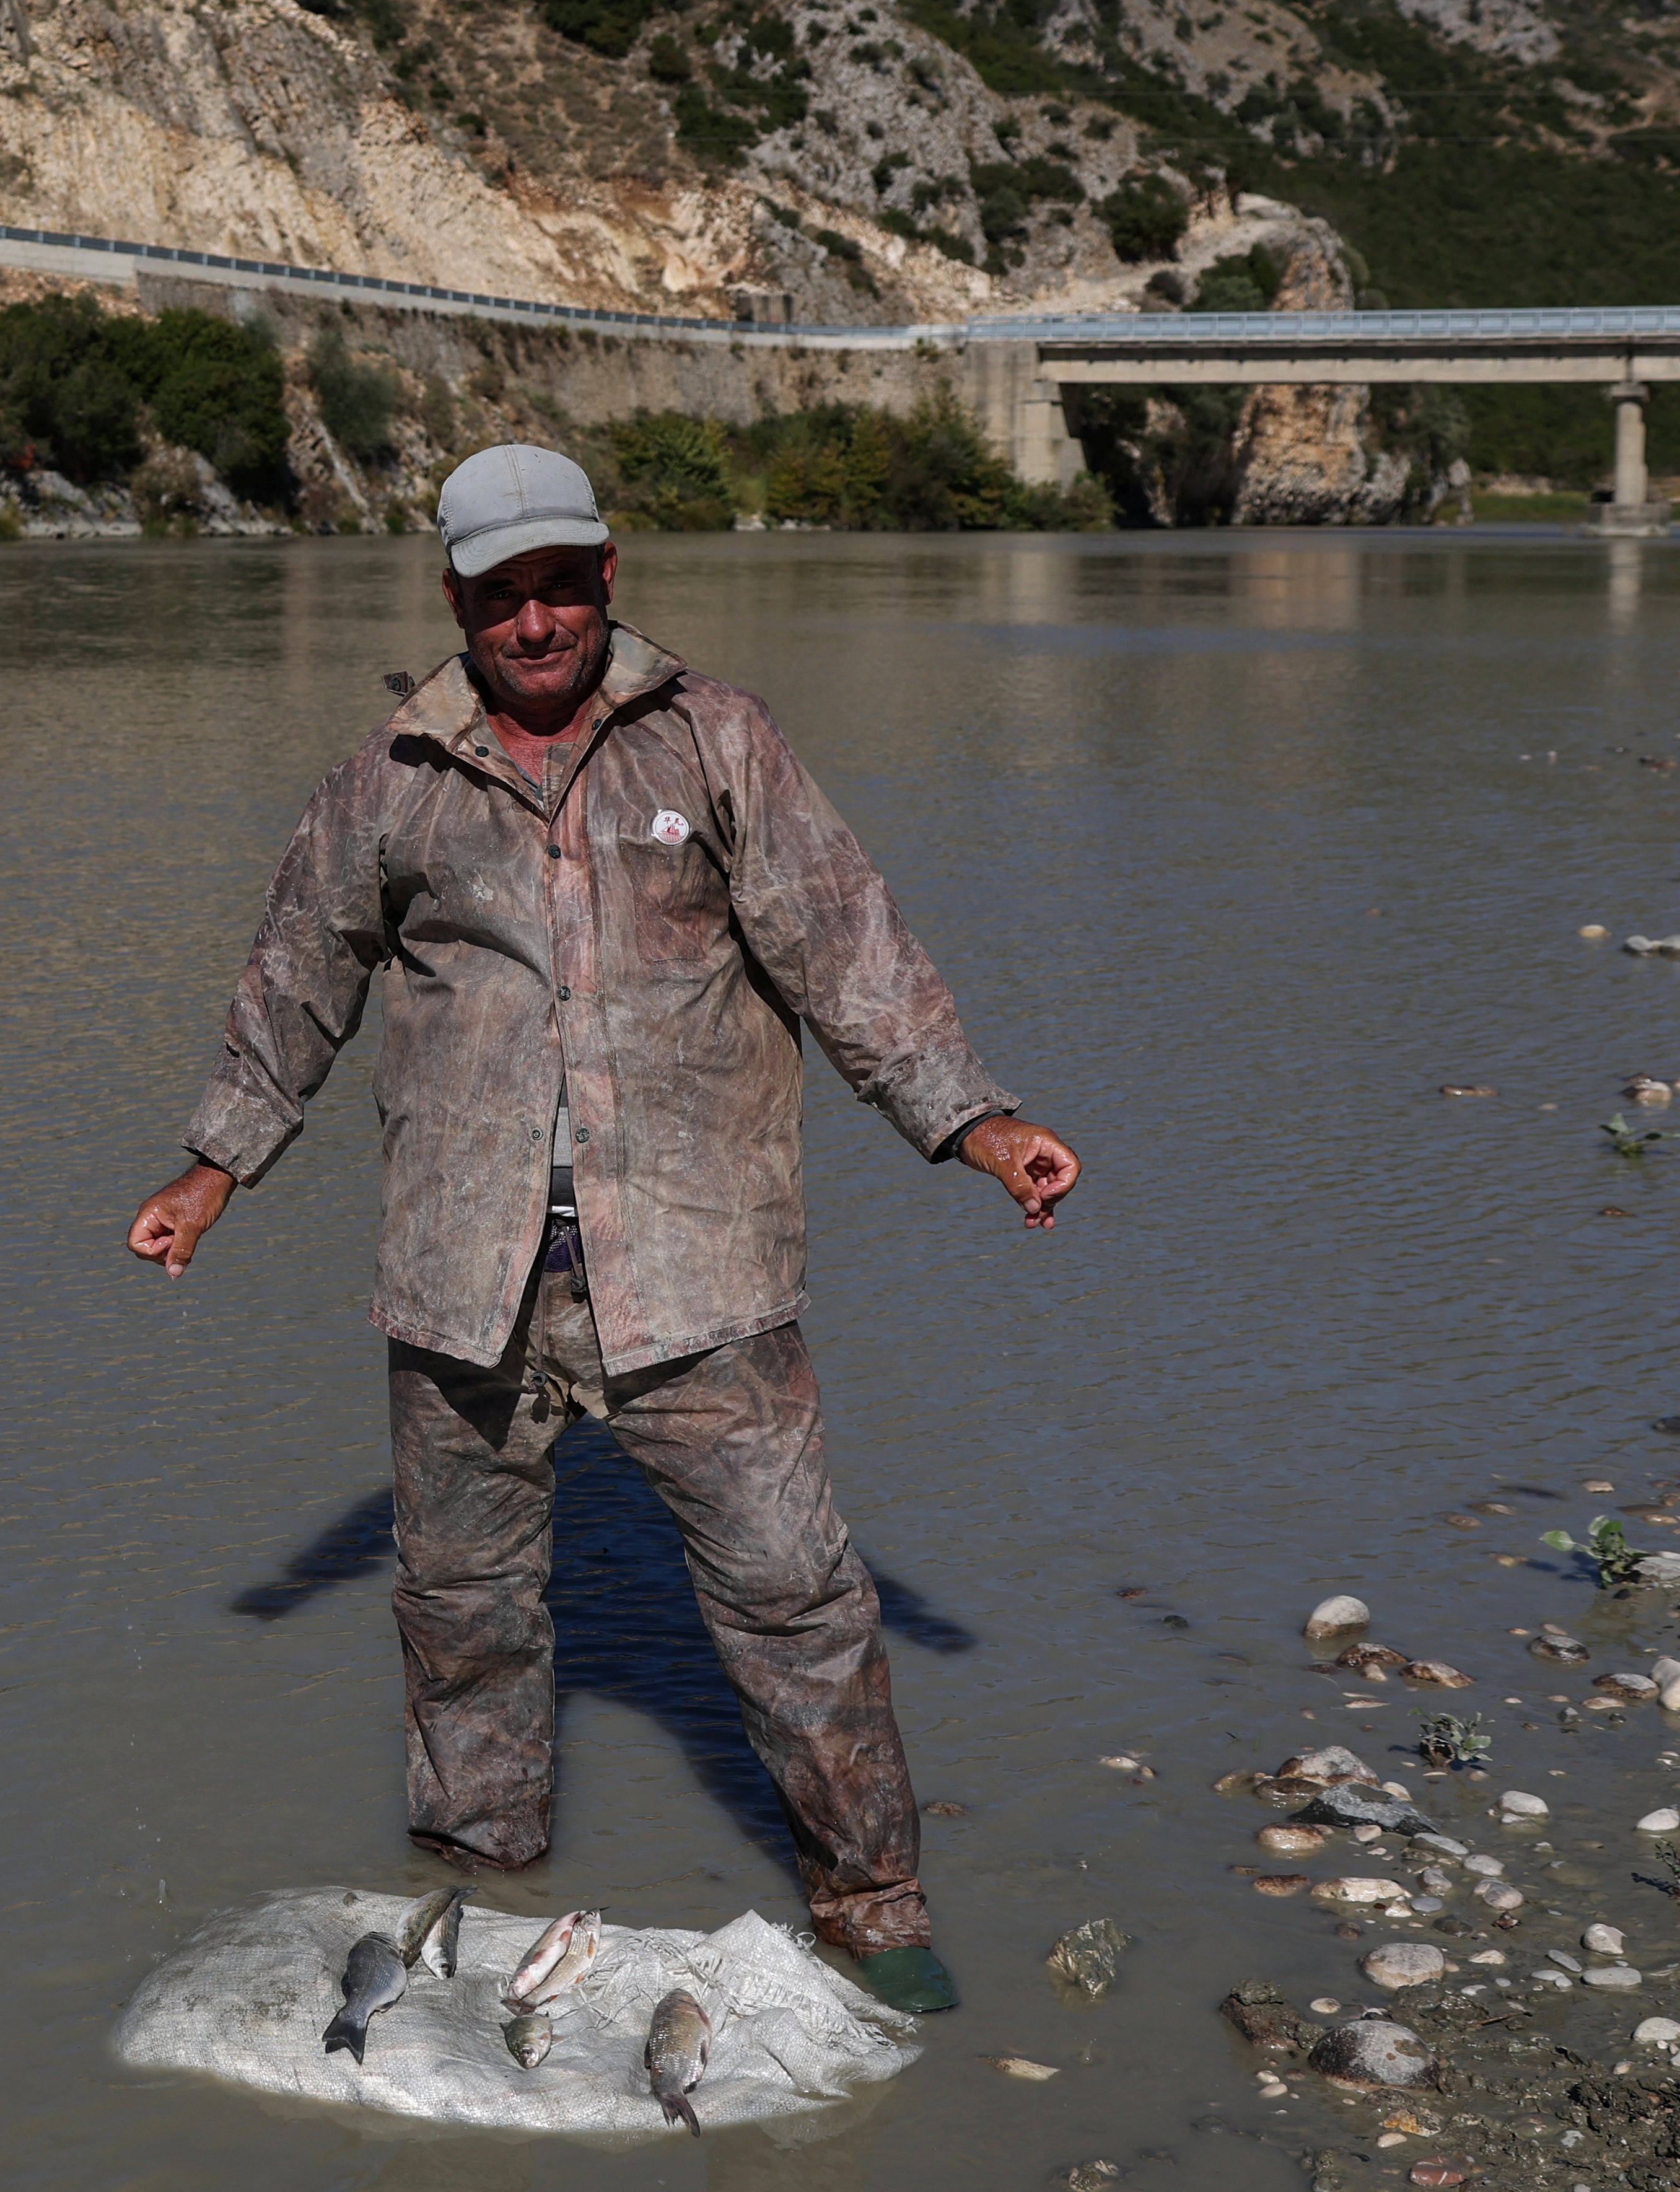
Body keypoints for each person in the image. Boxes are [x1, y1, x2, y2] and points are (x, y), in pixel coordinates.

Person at [125, 442, 1081, 2016]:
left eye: (560, 585)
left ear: (606, 576)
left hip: (696, 1276)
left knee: (799, 1598)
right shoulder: (393, 776)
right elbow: (297, 982)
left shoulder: (715, 743)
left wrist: (979, 1124)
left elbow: (850, 954)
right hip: (461, 1277)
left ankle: (867, 1902)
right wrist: (213, 1168)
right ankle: (485, 1895)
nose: (536, 619)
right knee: (463, 1611)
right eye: (502, 594)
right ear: (457, 599)